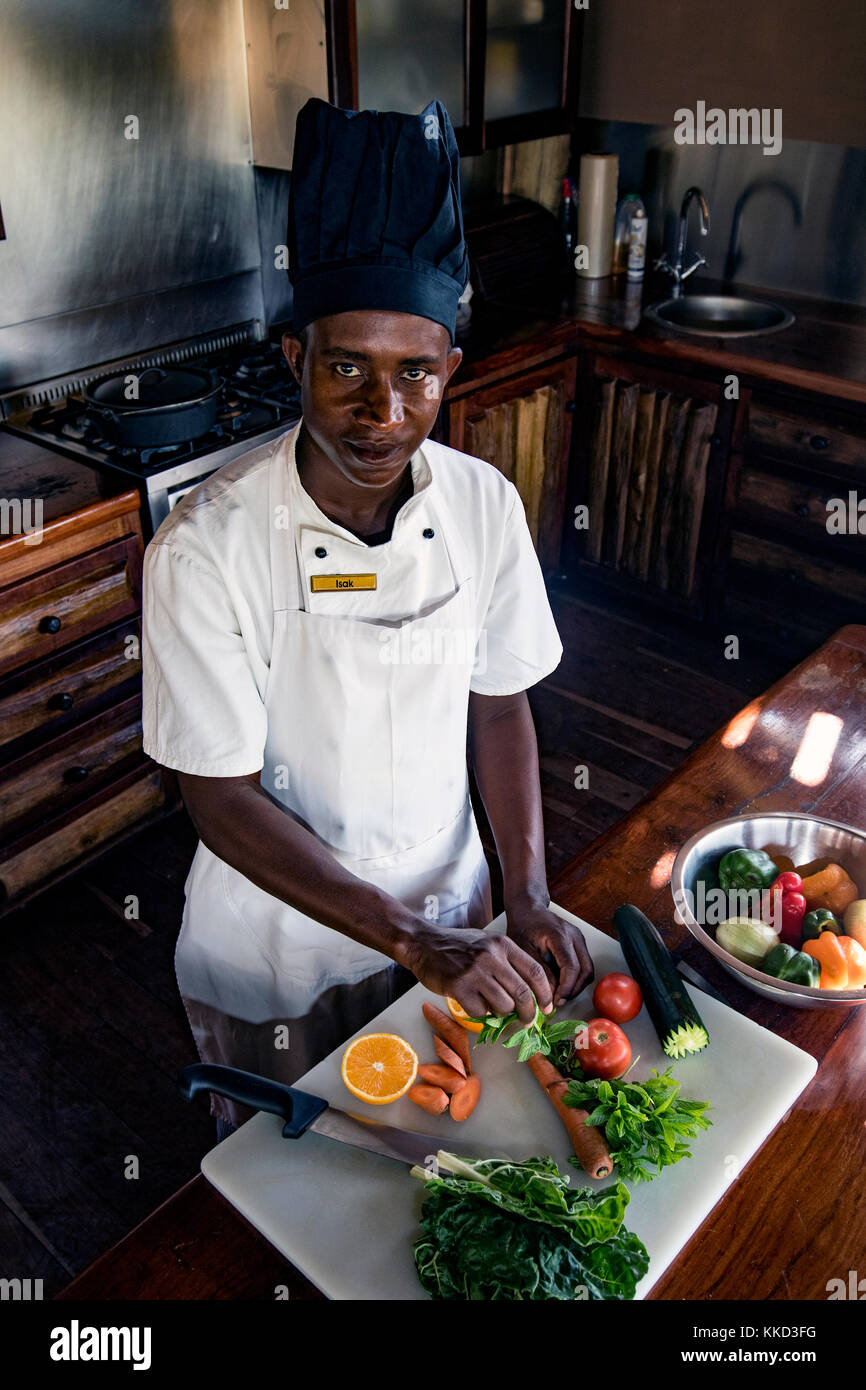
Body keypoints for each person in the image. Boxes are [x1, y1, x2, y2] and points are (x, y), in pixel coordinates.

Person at [142, 96, 592, 1134]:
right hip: (275, 952)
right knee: (292, 1178)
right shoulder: (204, 550)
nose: (381, 415)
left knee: (444, 1151)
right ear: (295, 360)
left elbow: (497, 707)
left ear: (451, 373)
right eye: (346, 367)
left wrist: (521, 896)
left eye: (414, 374)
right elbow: (219, 799)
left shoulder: (480, 504)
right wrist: (410, 940)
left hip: (459, 917)